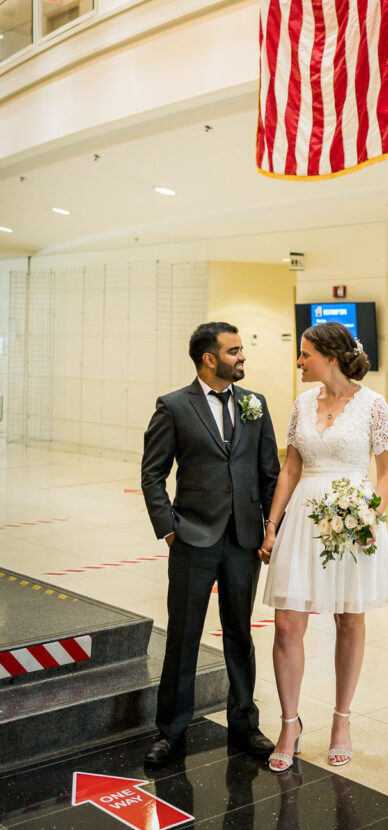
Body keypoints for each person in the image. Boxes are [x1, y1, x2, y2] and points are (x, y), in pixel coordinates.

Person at [259, 321, 388, 772]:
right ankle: (289, 722)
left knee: (349, 620)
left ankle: (342, 720)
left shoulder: (374, 405)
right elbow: (290, 469)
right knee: (286, 625)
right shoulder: (301, 404)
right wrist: (273, 525)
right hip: (303, 516)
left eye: (305, 354)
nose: (299, 361)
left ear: (330, 357)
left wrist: (369, 518)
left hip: (355, 519)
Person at [141, 321, 280, 765]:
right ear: (209, 358)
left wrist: (272, 527)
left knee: (240, 633)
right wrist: (169, 528)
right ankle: (171, 732)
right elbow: (152, 473)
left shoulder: (255, 404)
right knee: (184, 634)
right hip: (194, 538)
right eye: (235, 351)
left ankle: (244, 724)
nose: (243, 357)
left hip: (243, 539)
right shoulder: (173, 406)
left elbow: (269, 472)